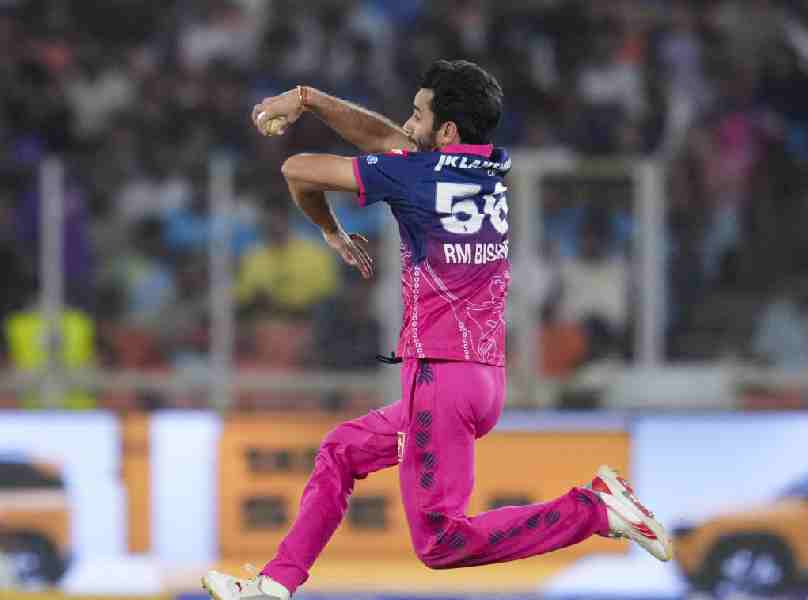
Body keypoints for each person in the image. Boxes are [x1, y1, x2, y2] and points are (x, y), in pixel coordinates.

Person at [202, 59, 672, 600]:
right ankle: (275, 584)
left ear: (446, 131)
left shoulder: (413, 174)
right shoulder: (492, 166)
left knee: (440, 542)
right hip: (481, 376)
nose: (408, 122)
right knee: (341, 450)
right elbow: (388, 138)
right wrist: (307, 97)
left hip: (440, 379)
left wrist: (329, 229)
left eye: (419, 115)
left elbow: (297, 170)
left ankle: (592, 510)